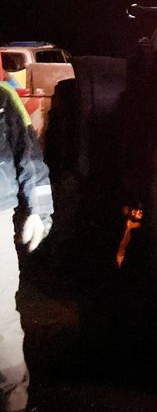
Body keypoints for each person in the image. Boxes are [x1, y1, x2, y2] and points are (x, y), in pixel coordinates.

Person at [0, 82, 53, 412]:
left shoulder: (4, 98)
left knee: (1, 318)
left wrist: (40, 212)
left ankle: (13, 402)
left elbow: (30, 154)